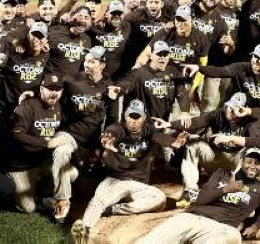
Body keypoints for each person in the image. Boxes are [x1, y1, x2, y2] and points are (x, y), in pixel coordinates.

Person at [71, 100, 189, 244]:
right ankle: (84, 230)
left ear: (144, 118)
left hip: (139, 184)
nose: (133, 121)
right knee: (99, 200)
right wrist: (107, 140)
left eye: (137, 117)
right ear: (125, 117)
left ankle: (113, 209)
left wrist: (175, 143)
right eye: (130, 116)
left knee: (159, 199)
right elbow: (110, 133)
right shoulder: (117, 128)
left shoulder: (149, 130)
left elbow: (162, 138)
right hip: (116, 180)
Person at [133, 148, 260, 244]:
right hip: (192, 217)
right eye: (249, 162)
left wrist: (255, 227)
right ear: (241, 161)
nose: (253, 166)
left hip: (223, 227)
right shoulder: (222, 174)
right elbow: (201, 199)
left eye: (257, 163)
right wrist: (226, 189)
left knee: (233, 237)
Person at [164, 92, 260, 208]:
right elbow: (196, 122)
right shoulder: (218, 114)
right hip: (216, 160)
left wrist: (231, 138)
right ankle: (190, 191)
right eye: (229, 107)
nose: (230, 111)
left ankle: (246, 188)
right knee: (193, 143)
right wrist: (168, 124)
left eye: (235, 109)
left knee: (253, 150)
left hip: (237, 164)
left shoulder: (251, 120)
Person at [1, 74, 77, 222]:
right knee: (28, 208)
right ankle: (7, 184)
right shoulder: (27, 106)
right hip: (20, 165)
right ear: (41, 89)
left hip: (39, 162)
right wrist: (46, 144)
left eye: (57, 89)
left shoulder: (58, 105)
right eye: (49, 89)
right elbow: (16, 134)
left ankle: (44, 194)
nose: (54, 92)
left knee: (71, 173)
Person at [187, 43, 260, 109]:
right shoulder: (240, 68)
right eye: (254, 56)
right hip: (233, 109)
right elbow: (220, 71)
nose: (255, 61)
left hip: (256, 114)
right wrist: (199, 68)